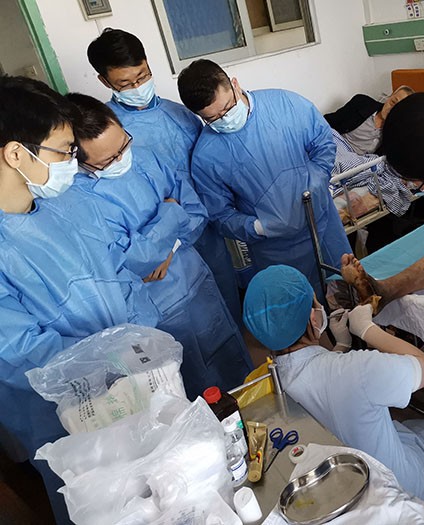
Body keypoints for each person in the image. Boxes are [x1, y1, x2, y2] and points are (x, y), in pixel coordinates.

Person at [0, 76, 160, 524]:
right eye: (64, 151)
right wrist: (110, 362)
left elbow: (117, 274)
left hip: (129, 381)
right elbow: (20, 351)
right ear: (17, 154)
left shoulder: (67, 206)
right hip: (65, 417)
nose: (73, 163)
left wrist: (141, 345)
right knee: (105, 506)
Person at [67, 93, 252, 399]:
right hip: (157, 309)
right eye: (108, 160)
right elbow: (137, 261)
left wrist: (169, 245)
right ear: (79, 160)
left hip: (198, 283)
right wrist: (170, 211)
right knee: (189, 385)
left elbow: (195, 211)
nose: (122, 159)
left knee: (232, 362)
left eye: (123, 145)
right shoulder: (77, 201)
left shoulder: (145, 157)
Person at [243, 265, 424, 504]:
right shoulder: (359, 370)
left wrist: (341, 345)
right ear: (313, 318)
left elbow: (313, 378)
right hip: (399, 491)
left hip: (337, 484)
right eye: (315, 302)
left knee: (398, 428)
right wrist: (367, 330)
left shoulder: (268, 381)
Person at [86, 29, 243, 326]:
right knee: (188, 325)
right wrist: (163, 245)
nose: (137, 87)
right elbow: (114, 204)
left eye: (142, 76)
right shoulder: (106, 134)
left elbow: (210, 171)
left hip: (207, 231)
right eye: (125, 83)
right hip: (159, 251)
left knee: (226, 305)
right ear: (105, 82)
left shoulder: (180, 115)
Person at [178, 60, 351, 298]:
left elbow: (323, 142)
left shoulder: (285, 104)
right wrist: (257, 227)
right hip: (276, 249)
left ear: (235, 84)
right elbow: (219, 215)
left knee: (348, 290)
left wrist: (317, 178)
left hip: (323, 221)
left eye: (228, 108)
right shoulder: (207, 156)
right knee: (299, 308)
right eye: (214, 118)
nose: (225, 119)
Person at [324, 85, 414, 155]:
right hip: (337, 146)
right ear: (389, 97)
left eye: (398, 108)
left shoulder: (395, 132)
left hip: (358, 163)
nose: (392, 109)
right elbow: (330, 120)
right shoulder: (362, 103)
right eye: (393, 102)